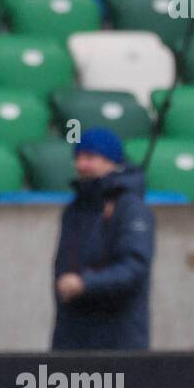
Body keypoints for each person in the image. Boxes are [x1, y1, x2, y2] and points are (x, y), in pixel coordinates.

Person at [51, 128, 154, 351]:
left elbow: (134, 268)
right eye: (78, 157)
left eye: (90, 157)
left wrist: (85, 284)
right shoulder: (75, 209)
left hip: (118, 342)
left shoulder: (131, 209)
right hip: (73, 339)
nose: (81, 164)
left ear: (111, 161)